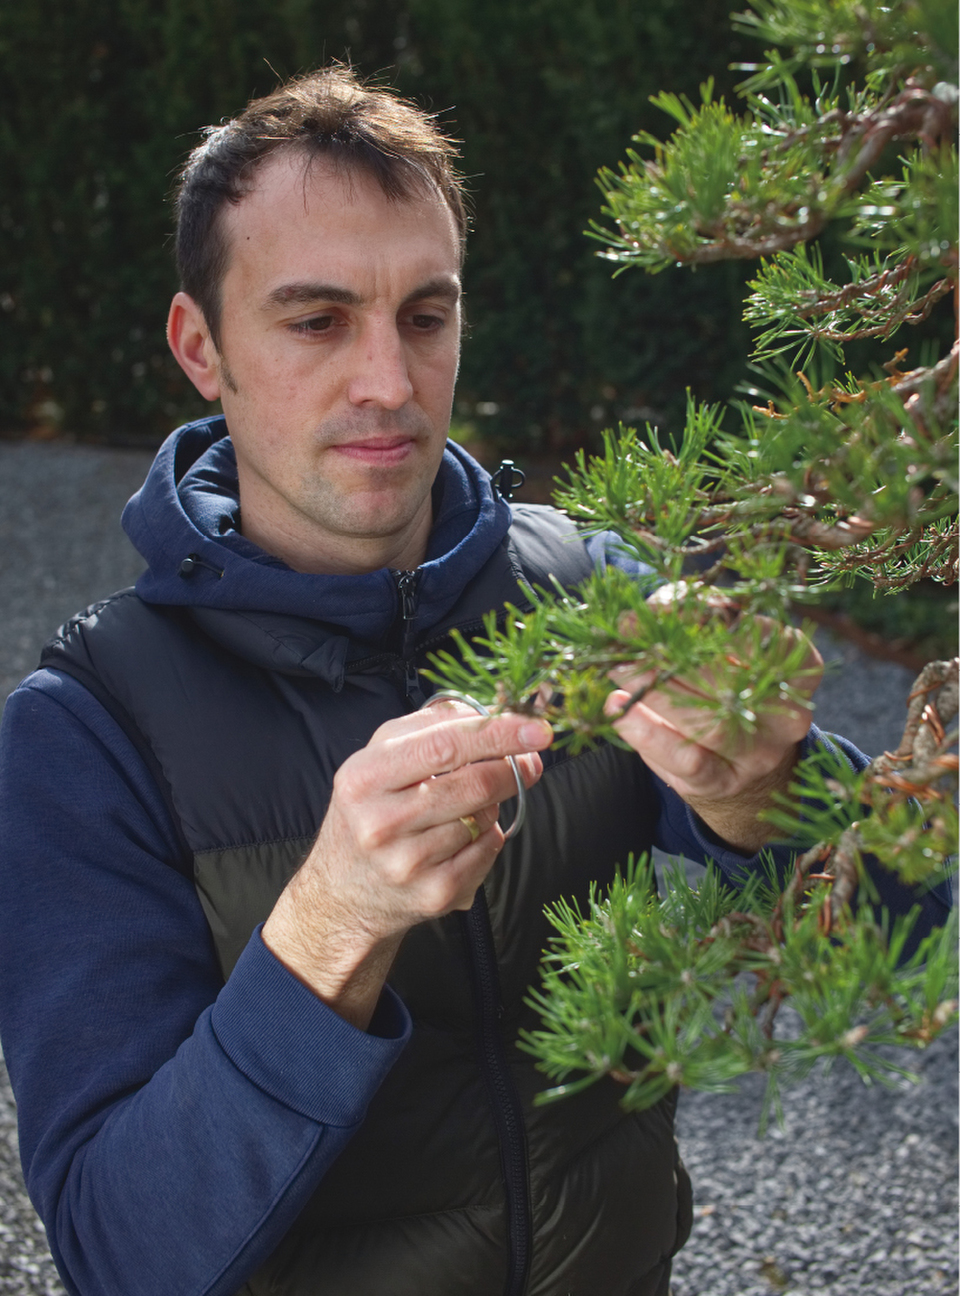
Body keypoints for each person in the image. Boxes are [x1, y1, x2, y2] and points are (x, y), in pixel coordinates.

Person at [0, 65, 947, 1296]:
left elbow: (911, 935)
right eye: (316, 320)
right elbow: (119, 1252)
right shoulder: (87, 731)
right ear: (202, 345)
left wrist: (767, 789)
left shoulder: (591, 592)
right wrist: (329, 926)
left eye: (426, 315)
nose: (390, 383)